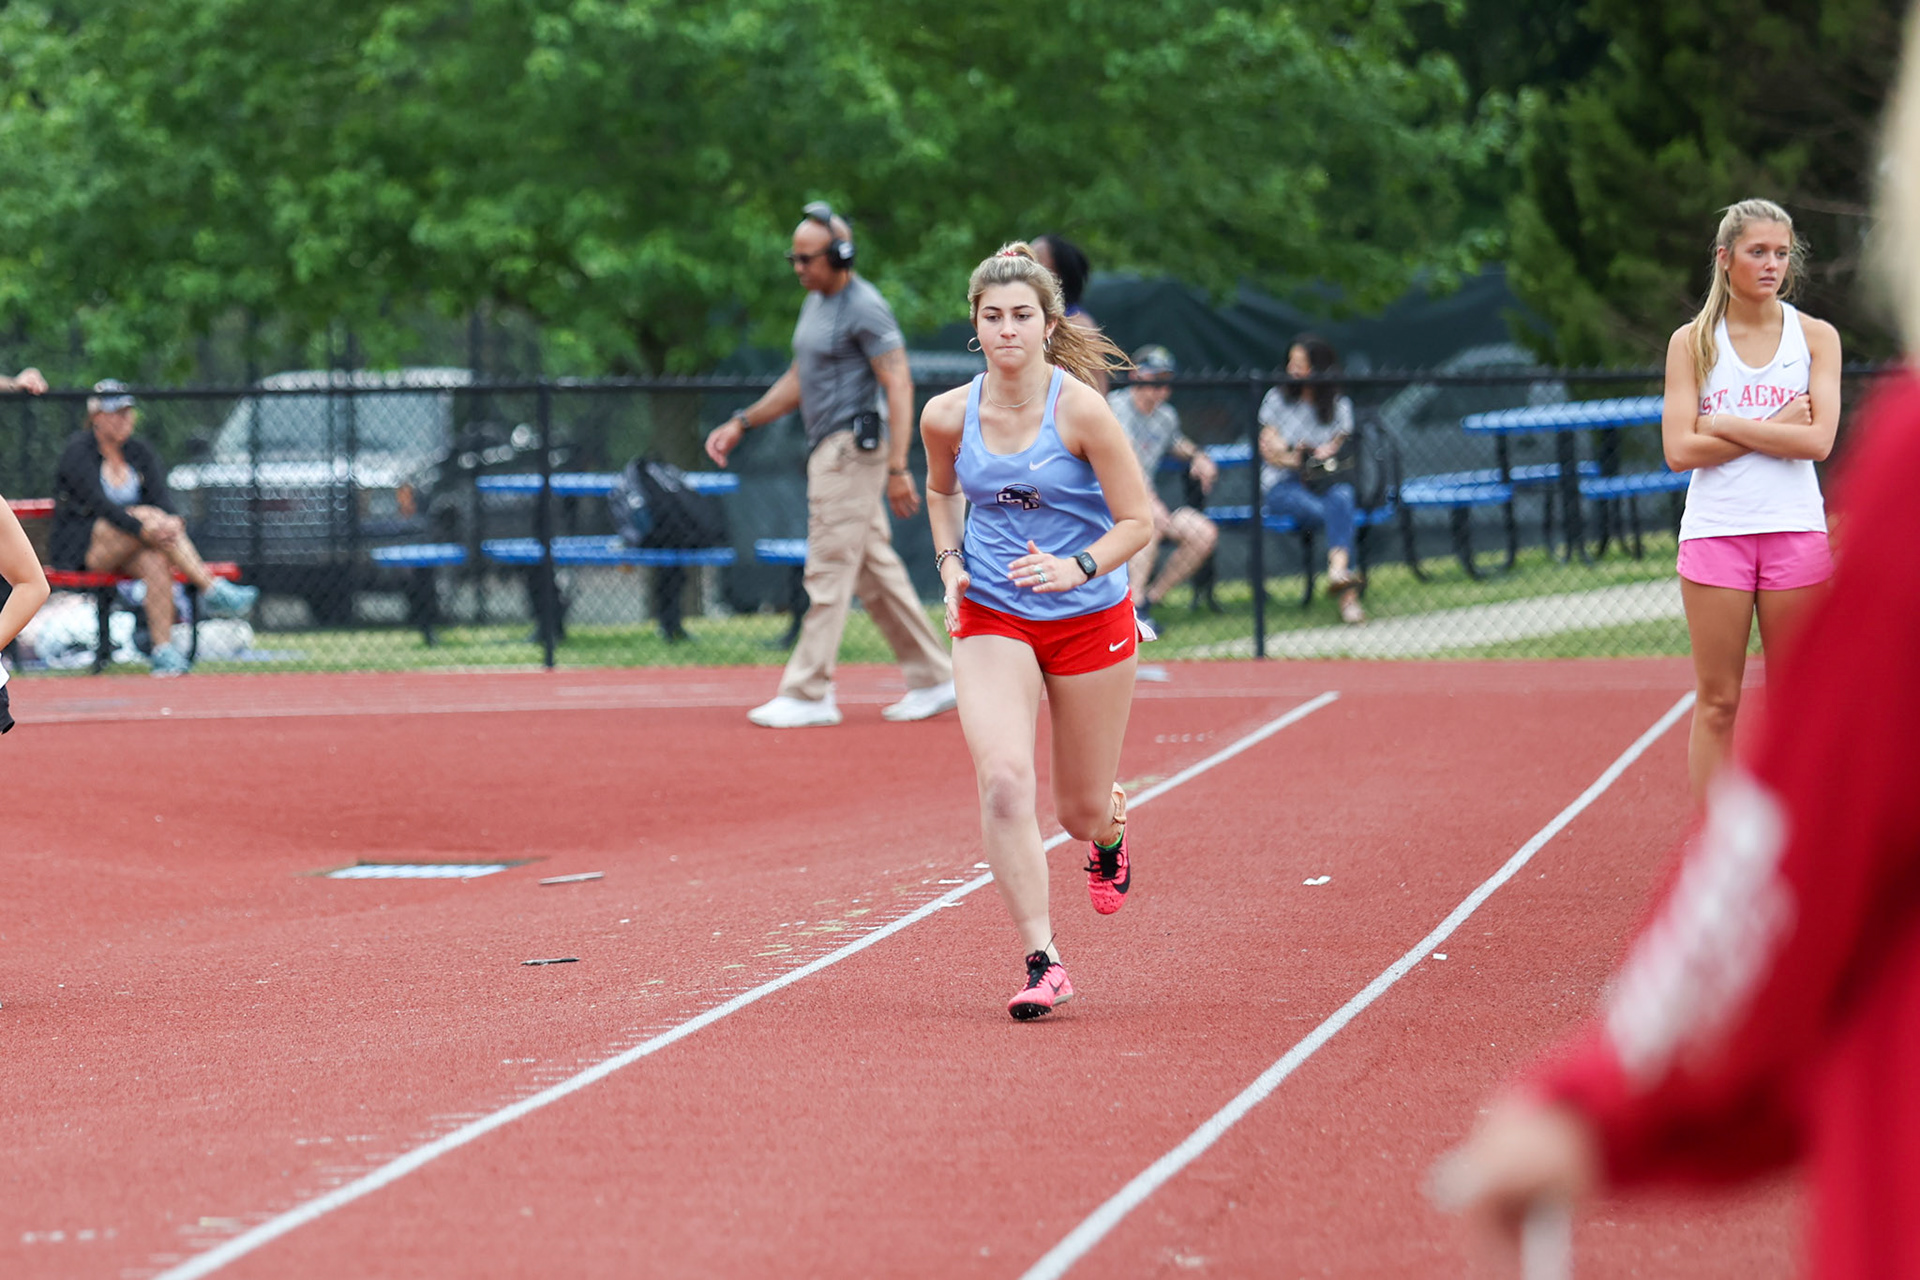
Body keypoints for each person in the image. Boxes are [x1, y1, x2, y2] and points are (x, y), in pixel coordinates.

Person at [920, 243, 1153, 1020]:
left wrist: (1076, 567)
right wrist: (951, 564)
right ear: (975, 326)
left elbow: (1137, 522)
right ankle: (1043, 958)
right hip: (992, 612)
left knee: (1077, 812)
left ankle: (1109, 830)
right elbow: (940, 491)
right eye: (993, 317)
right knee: (1006, 782)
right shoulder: (947, 414)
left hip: (1088, 616)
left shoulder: (1082, 410)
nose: (1007, 331)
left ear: (1049, 326)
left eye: (1022, 317)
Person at [705, 203, 956, 728]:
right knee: (873, 570)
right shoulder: (816, 302)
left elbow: (900, 383)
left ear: (840, 255)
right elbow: (800, 378)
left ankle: (809, 689)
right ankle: (936, 678)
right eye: (792, 258)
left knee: (826, 569)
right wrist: (742, 422)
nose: (797, 267)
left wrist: (896, 467)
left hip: (851, 452)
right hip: (829, 451)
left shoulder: (865, 307)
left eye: (806, 258)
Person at [1656, 200, 1840, 805]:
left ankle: (1798, 840)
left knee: (1798, 702)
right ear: (1725, 257)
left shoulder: (1816, 338)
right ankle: (1716, 842)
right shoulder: (1692, 343)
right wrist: (1773, 423)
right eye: (1758, 251)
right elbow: (1679, 450)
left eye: (1781, 253)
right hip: (1717, 535)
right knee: (1718, 701)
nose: (1771, 264)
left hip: (1794, 533)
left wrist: (1725, 423)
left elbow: (1816, 441)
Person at [51, 380, 258, 676]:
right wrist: (144, 525)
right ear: (96, 417)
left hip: (141, 544)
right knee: (146, 513)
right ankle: (210, 586)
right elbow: (100, 507)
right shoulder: (78, 451)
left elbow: (163, 499)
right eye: (116, 412)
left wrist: (171, 521)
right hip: (87, 548)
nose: (125, 419)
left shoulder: (139, 451)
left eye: (128, 411)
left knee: (156, 561)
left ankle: (162, 652)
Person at [1107, 345, 1218, 628]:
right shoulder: (1117, 406)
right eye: (1154, 378)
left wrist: (1198, 456)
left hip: (1148, 504)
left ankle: (1148, 601)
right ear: (1135, 376)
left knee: (1204, 533)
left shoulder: (1165, 415)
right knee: (1151, 522)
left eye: (1165, 379)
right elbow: (1126, 463)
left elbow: (1177, 442)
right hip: (1110, 501)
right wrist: (1152, 503)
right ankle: (1131, 607)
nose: (1160, 387)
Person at [1258, 335, 1365, 624]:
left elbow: (1338, 452)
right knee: (1334, 513)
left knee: (1342, 498)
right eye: (1291, 362)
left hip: (1325, 483)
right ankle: (1344, 584)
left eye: (1301, 364)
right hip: (1282, 486)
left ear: (1318, 368)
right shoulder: (1277, 399)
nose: (1293, 369)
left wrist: (1296, 454)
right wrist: (1304, 458)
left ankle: (1340, 580)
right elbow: (1270, 452)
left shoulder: (1338, 405)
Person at [1031, 234, 1109, 394]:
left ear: (1057, 273)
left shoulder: (1079, 325)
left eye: (1036, 259)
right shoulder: (1021, 319)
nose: (1026, 265)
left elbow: (1097, 390)